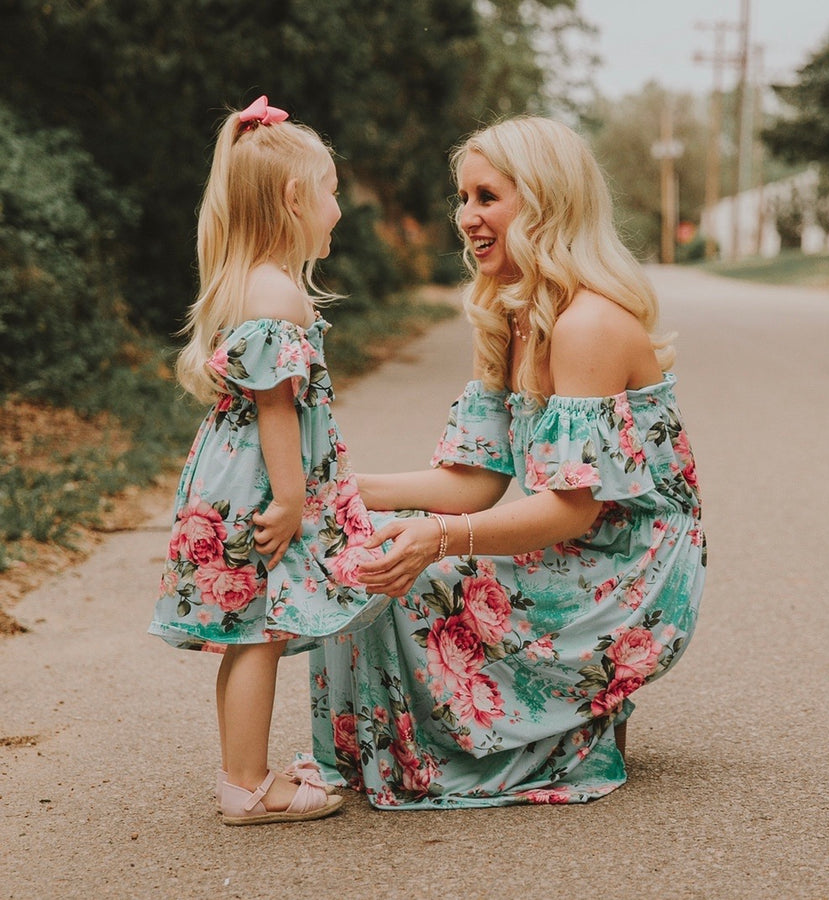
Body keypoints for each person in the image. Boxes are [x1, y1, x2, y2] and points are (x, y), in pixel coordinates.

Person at [305, 115, 706, 809]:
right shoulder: (511, 312)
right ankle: (393, 750)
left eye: (486, 197)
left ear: (545, 200)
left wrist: (436, 539)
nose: (466, 217)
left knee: (412, 574)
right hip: (574, 537)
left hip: (628, 567)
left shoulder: (587, 324)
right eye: (463, 199)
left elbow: (573, 506)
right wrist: (343, 492)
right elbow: (475, 480)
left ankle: (548, 732)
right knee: (364, 549)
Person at [149, 96, 386, 825]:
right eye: (332, 193)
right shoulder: (277, 294)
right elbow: (278, 409)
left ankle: (241, 772)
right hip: (261, 481)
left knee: (246, 630)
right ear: (294, 198)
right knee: (258, 632)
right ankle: (248, 787)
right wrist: (290, 500)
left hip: (233, 473)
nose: (338, 211)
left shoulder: (247, 280)